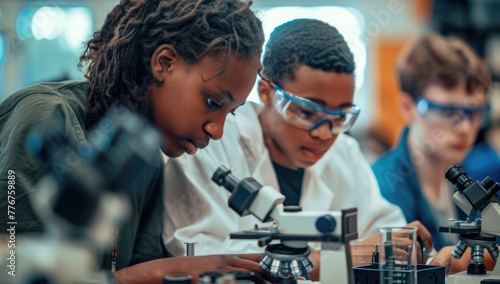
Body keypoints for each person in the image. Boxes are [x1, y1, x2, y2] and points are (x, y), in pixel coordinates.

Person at [0, 0, 267, 283]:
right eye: (213, 101)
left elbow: (142, 262)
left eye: (231, 112)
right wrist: (161, 271)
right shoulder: (45, 114)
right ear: (164, 63)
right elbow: (16, 270)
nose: (218, 131)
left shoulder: (146, 155)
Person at [162, 19, 433, 281]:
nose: (324, 133)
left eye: (340, 117)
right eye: (306, 111)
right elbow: (202, 262)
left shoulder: (344, 152)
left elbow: (384, 233)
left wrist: (426, 255)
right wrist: (356, 254)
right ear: (267, 92)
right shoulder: (210, 145)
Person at [371, 33, 491, 251]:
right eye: (448, 111)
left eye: (474, 111)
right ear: (408, 107)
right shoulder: (383, 189)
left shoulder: (465, 179)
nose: (465, 127)